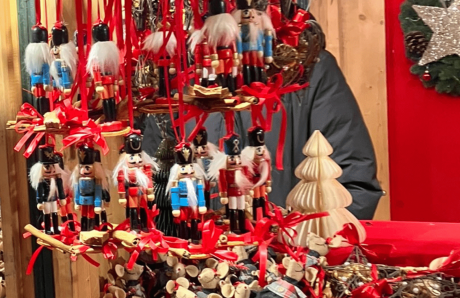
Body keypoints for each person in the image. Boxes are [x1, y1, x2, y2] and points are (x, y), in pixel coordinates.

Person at [141, 50, 383, 219]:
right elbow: (156, 184)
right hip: (200, 271)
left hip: (294, 268)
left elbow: (353, 186)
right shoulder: (175, 78)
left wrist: (305, 260)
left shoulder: (308, 69)